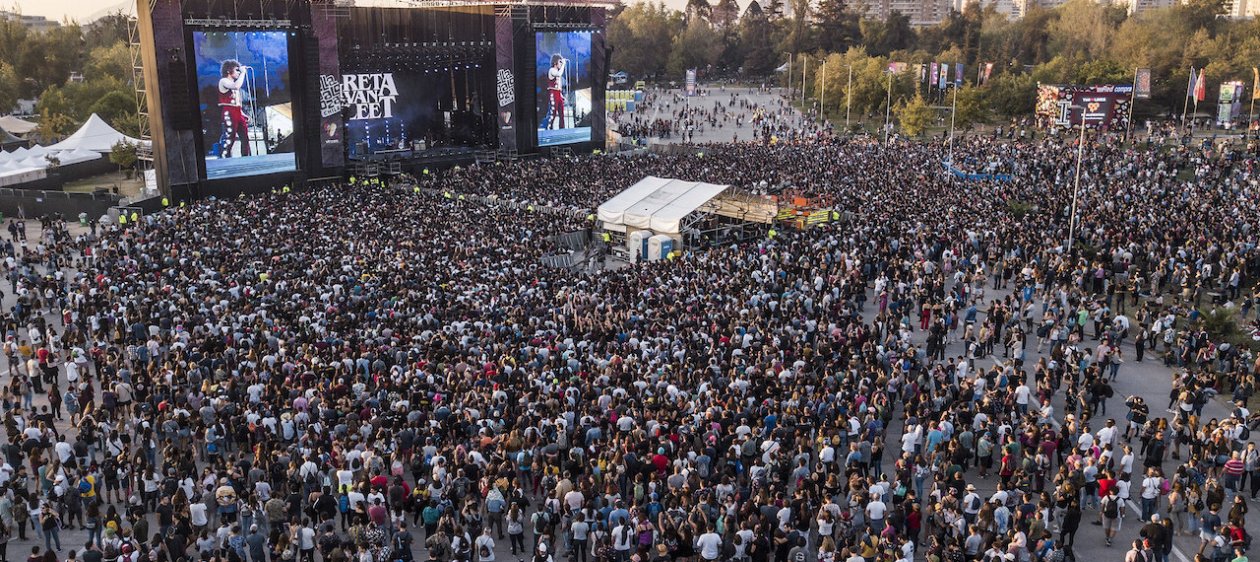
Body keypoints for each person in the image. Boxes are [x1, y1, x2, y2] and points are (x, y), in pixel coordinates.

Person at [217, 59, 252, 158]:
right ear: (228, 70)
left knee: (245, 138)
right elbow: (236, 86)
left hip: (237, 111)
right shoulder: (223, 81)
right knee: (230, 137)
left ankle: (246, 158)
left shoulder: (234, 84)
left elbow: (236, 102)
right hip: (229, 111)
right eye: (236, 70)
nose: (238, 72)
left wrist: (243, 114)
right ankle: (224, 159)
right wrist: (243, 73)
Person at [543, 54, 567, 130]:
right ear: (555, 62)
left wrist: (561, 95)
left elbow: (558, 85)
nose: (561, 64)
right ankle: (549, 128)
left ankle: (562, 128)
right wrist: (564, 64)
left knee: (561, 113)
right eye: (560, 62)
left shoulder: (557, 71)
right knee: (553, 112)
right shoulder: (552, 70)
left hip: (558, 93)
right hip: (553, 92)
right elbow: (559, 74)